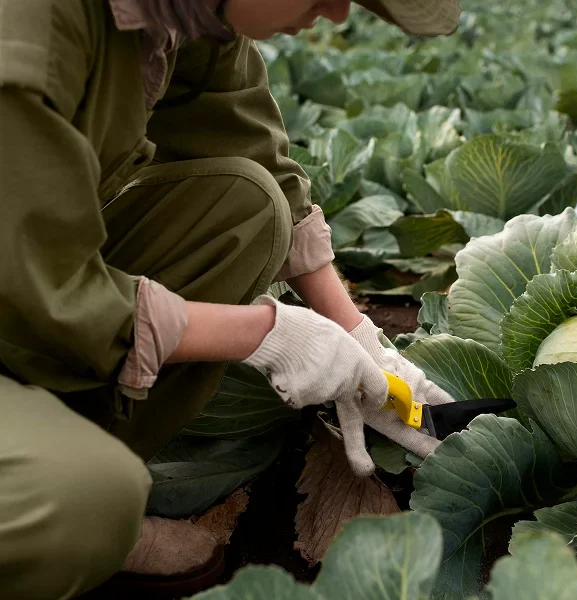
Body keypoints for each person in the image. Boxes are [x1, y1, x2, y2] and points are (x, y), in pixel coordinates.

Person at [0, 1, 462, 598]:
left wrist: (359, 338)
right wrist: (263, 333)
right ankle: (63, 502)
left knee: (245, 208)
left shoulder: (187, 11)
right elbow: (39, 288)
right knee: (86, 501)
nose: (339, 10)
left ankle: (60, 459)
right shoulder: (32, 31)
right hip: (25, 290)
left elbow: (248, 144)